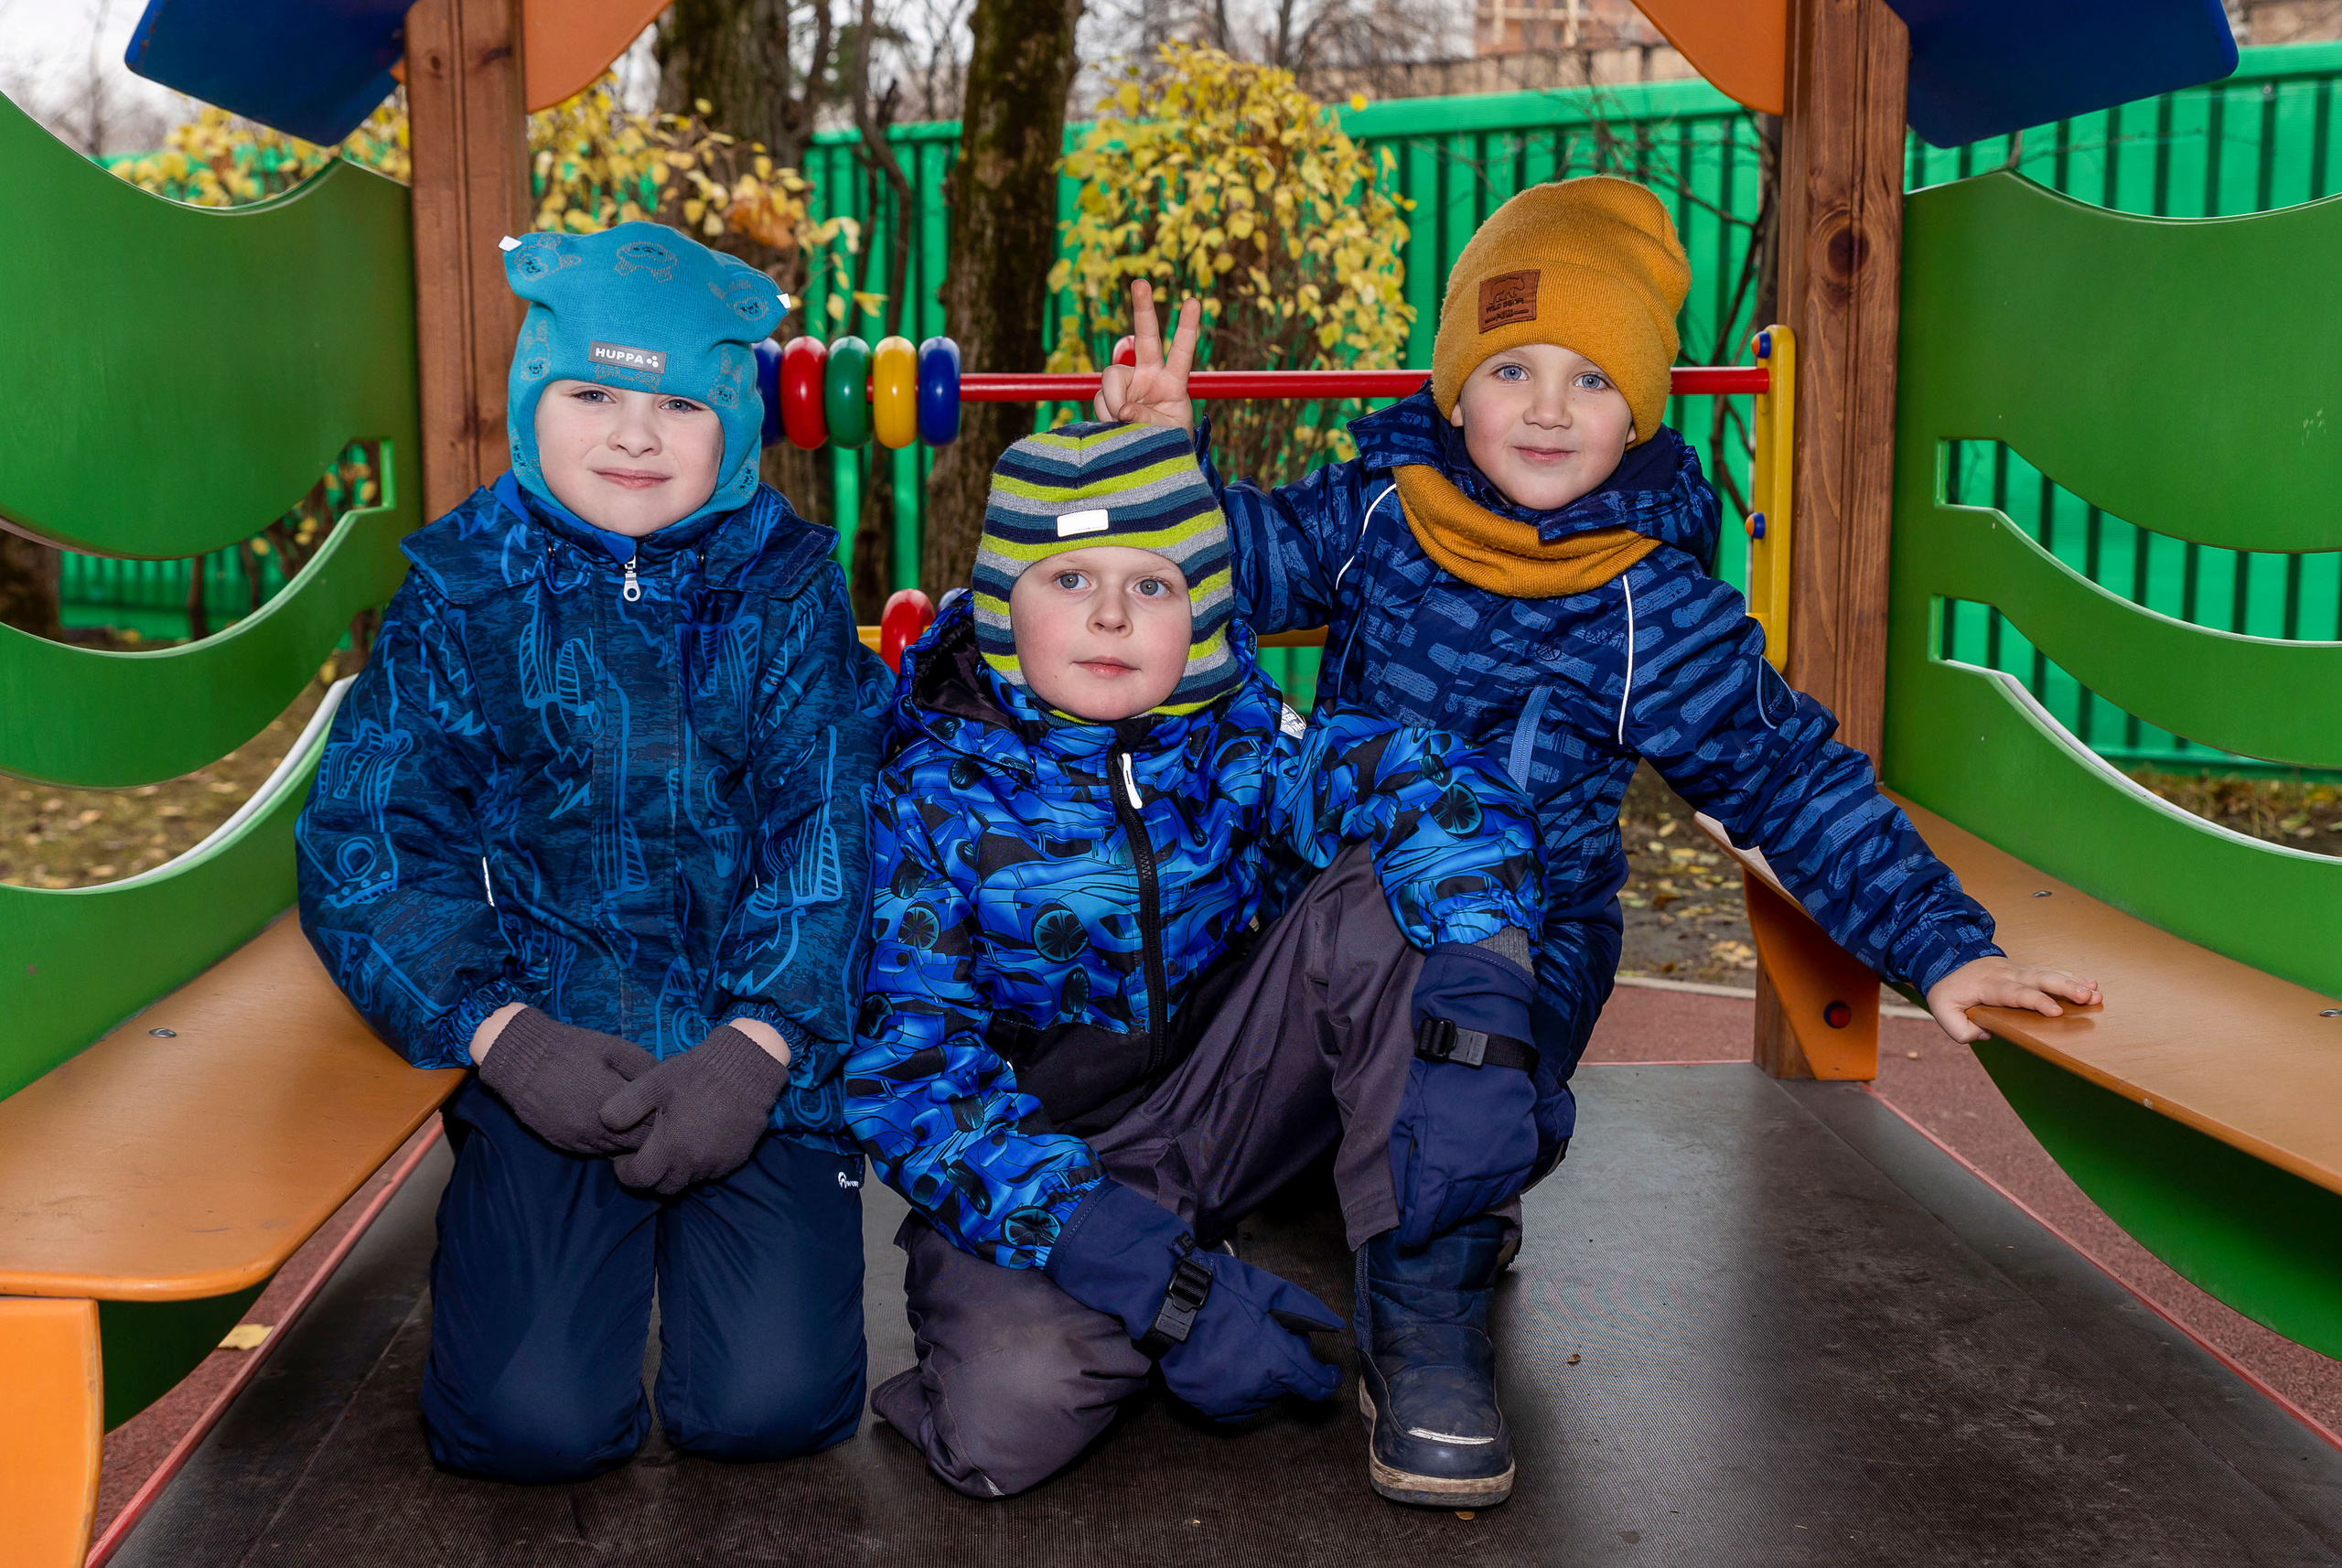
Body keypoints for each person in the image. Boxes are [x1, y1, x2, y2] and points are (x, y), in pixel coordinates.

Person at [1092, 175, 2103, 1499]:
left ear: (1639, 407)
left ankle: (1432, 1305)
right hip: (1333, 916)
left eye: (1592, 376)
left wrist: (1944, 946)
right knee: (1297, 948)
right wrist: (1164, 456)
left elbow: (1784, 773)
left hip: (1518, 956)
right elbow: (1219, 574)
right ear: (1457, 392)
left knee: (1456, 1005)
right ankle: (1366, 1161)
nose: (1552, 407)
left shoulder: (1649, 605)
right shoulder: (1384, 516)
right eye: (1513, 367)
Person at [846, 419, 1549, 1507]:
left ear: (1205, 614)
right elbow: (911, 1079)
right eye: (1068, 576)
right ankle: (1126, 1277)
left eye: (1156, 584)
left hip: (1228, 1102)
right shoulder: (927, 799)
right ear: (998, 608)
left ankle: (1425, 1311)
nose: (1113, 614)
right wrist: (1157, 1284)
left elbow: (1428, 782)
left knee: (1399, 887)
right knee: (1007, 1417)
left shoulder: (1235, 739)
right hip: (1048, 1153)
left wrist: (1484, 1001)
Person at [296, 221, 886, 1484]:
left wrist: (761, 1047)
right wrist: (503, 1037)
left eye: (679, 400)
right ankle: (532, 1245)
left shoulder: (787, 588)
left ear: (734, 418)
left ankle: (749, 1207)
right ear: (531, 398)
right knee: (527, 1427)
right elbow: (372, 839)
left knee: (772, 1407)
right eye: (594, 393)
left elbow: (827, 824)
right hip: (557, 1052)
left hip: (750, 1058)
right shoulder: (462, 593)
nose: (633, 432)